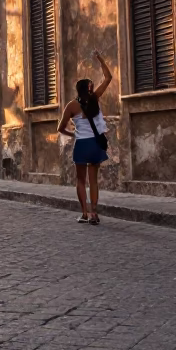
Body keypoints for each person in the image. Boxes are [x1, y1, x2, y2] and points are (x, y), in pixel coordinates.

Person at [57, 51, 113, 225]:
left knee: (81, 181)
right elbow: (108, 77)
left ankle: (84, 213)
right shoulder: (95, 98)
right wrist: (99, 58)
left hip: (82, 145)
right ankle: (94, 213)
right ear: (90, 88)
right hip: (96, 144)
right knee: (93, 180)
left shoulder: (71, 106)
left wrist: (74, 134)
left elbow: (60, 128)